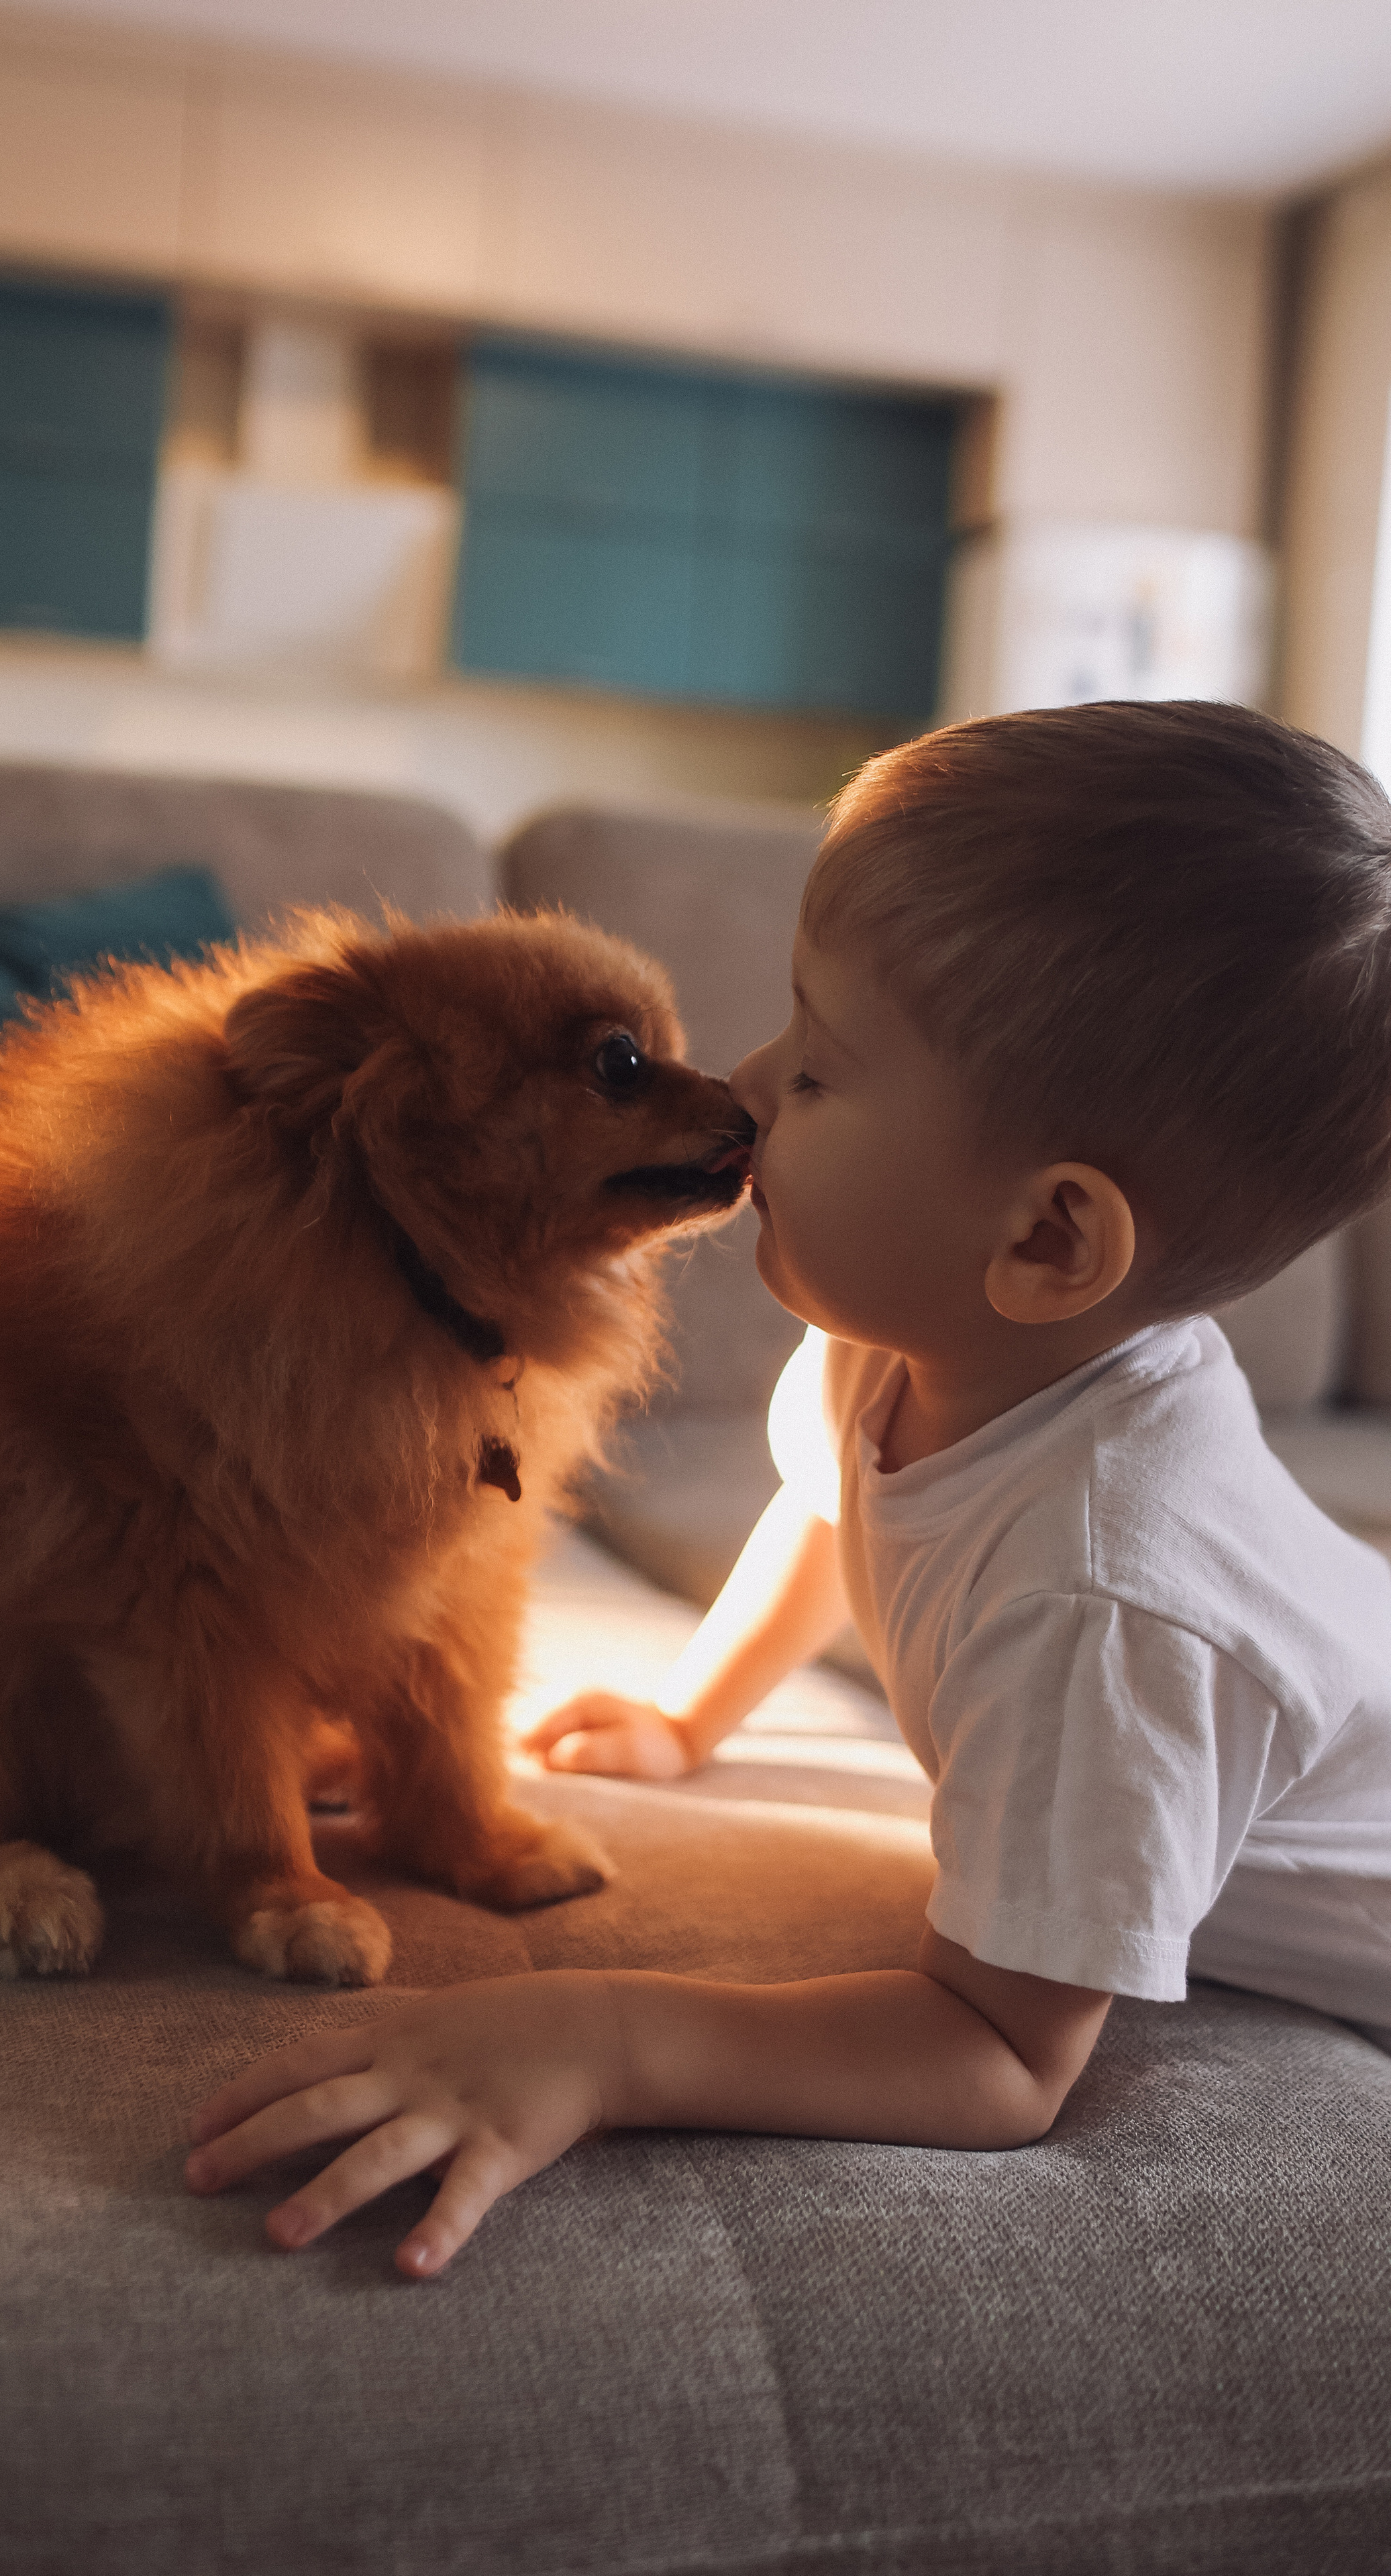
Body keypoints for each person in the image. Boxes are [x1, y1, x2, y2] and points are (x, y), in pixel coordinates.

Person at [185, 700, 1391, 2277]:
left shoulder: (1104, 1604)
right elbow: (829, 1512)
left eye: (817, 1073)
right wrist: (691, 1718)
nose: (743, 1093)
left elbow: (997, 2053)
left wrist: (605, 2040)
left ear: (1042, 1244)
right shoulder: (901, 1350)